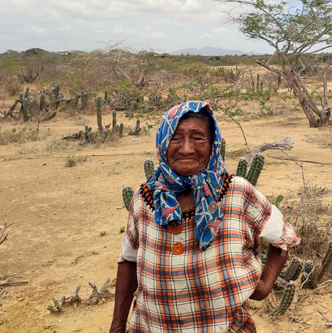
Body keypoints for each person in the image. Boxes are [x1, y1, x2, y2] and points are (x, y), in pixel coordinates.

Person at [110, 101, 300, 333]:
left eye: (198, 138)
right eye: (175, 138)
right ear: (162, 142)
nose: (187, 148)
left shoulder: (236, 193)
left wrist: (265, 284)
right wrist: (117, 326)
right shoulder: (145, 199)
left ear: (212, 144)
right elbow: (128, 261)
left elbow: (284, 237)